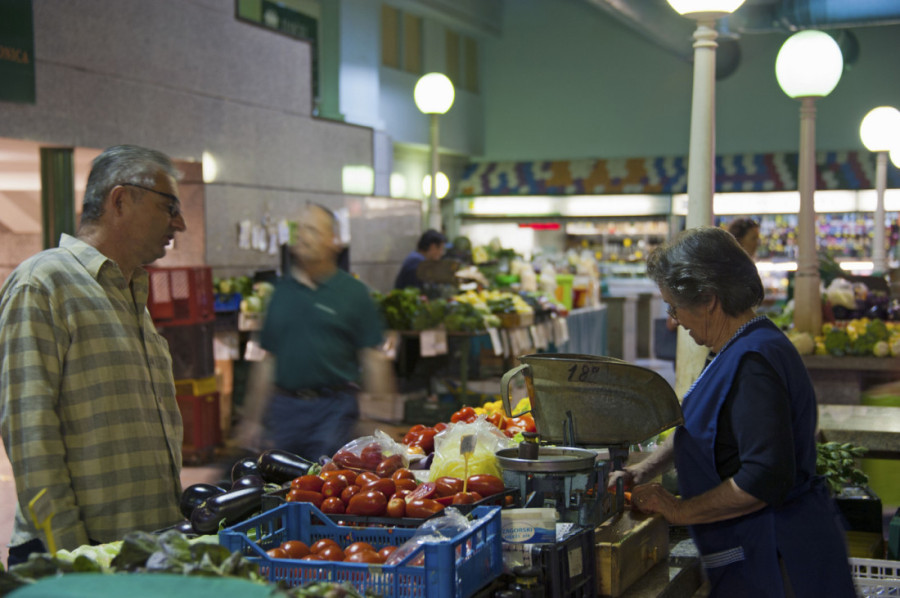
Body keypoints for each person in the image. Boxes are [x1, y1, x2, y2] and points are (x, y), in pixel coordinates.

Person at [608, 227, 855, 598]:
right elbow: (705, 425)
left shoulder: (753, 363)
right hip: (761, 550)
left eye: (674, 307)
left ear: (708, 299)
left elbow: (764, 477)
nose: (673, 321)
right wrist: (647, 467)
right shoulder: (740, 345)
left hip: (780, 560)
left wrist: (679, 510)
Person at [0, 145, 188, 564]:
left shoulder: (130, 295)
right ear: (120, 200)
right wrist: (78, 559)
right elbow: (32, 440)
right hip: (78, 562)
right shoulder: (44, 284)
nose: (181, 223)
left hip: (141, 552)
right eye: (168, 206)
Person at [239, 203, 394, 462]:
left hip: (335, 409)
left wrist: (379, 420)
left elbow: (374, 360)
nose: (302, 236)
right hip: (285, 411)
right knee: (285, 486)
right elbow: (267, 361)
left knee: (327, 487)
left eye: (312, 230)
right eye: (298, 229)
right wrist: (252, 420)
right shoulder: (281, 293)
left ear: (333, 241)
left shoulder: (353, 293)